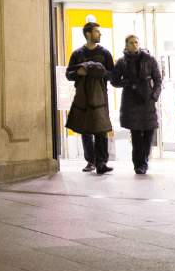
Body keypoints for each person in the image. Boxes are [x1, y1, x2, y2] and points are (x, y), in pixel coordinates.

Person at [66, 22, 115, 174]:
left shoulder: (105, 53)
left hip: (100, 96)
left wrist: (100, 72)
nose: (100, 34)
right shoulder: (77, 54)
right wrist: (78, 73)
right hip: (82, 95)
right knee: (85, 129)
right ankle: (90, 161)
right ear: (88, 34)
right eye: (96, 32)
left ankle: (102, 163)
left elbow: (113, 75)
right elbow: (69, 74)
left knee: (101, 128)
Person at [110, 35, 162, 174]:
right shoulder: (122, 61)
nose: (134, 45)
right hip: (131, 100)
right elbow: (114, 80)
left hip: (147, 99)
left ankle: (143, 160)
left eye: (136, 42)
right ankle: (139, 164)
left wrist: (154, 95)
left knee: (150, 130)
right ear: (126, 45)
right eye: (131, 43)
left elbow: (158, 79)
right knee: (136, 133)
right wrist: (127, 82)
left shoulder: (149, 59)